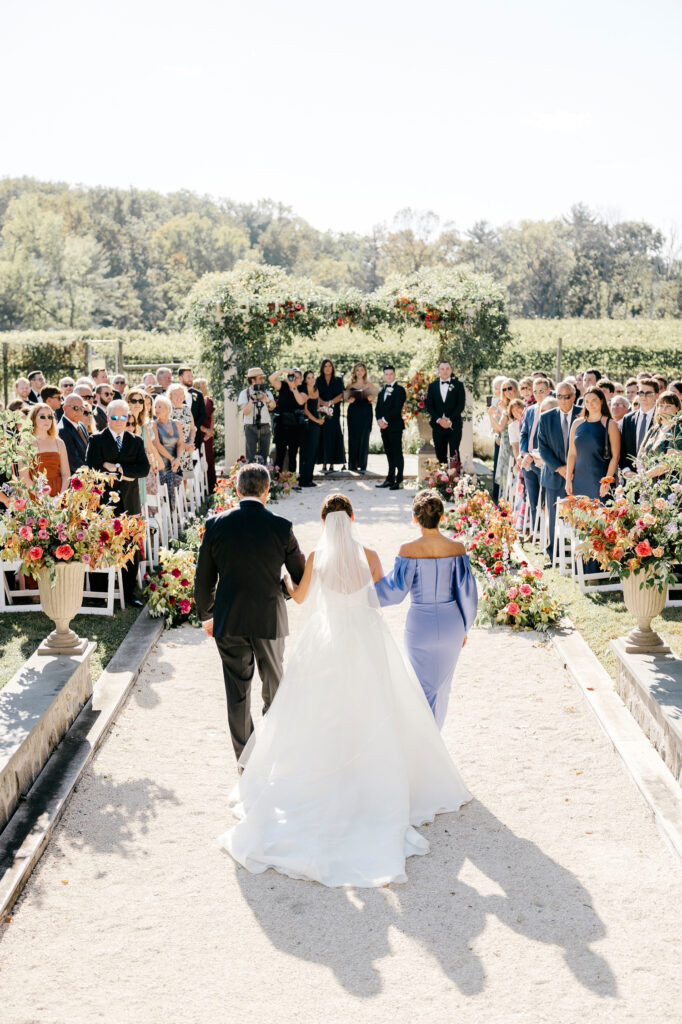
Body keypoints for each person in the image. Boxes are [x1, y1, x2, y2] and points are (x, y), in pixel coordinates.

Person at [217, 491, 471, 888]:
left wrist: (286, 581)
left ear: (324, 522)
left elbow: (301, 598)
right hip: (366, 639)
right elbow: (380, 595)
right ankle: (372, 780)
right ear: (351, 518)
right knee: (375, 706)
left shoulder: (318, 558)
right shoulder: (369, 555)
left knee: (322, 710)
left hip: (327, 640)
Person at [194, 463, 306, 760]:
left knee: (237, 693)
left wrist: (207, 615)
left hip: (229, 619)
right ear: (267, 491)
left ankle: (245, 760)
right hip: (270, 619)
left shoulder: (216, 525)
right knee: (275, 689)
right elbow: (300, 574)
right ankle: (274, 751)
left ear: (237, 489)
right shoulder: (282, 527)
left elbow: (203, 579)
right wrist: (280, 594)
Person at [375, 489, 477, 728]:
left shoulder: (407, 550)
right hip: (452, 624)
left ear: (415, 518)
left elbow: (395, 591)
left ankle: (424, 745)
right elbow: (468, 595)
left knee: (418, 689)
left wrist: (366, 592)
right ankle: (435, 741)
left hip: (419, 627)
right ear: (442, 517)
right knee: (443, 689)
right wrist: (465, 627)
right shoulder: (457, 549)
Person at [85, 399, 150, 606]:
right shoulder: (96, 440)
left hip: (130, 502)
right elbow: (93, 468)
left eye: (124, 416)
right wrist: (114, 469)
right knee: (102, 545)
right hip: (104, 504)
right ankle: (99, 593)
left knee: (130, 548)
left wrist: (118, 469)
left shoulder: (136, 441)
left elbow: (143, 469)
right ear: (107, 417)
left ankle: (128, 593)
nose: (120, 420)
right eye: (115, 417)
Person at [537, 381, 581, 560]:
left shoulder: (583, 414)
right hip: (554, 474)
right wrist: (560, 468)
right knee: (554, 516)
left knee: (579, 515)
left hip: (578, 474)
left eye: (567, 396)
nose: (563, 400)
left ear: (574, 397)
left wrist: (572, 469)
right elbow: (543, 447)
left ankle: (580, 554)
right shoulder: (546, 417)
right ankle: (554, 553)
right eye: (559, 396)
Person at [566, 387, 620, 500]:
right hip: (579, 481)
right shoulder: (576, 423)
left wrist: (606, 482)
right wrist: (568, 480)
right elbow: (572, 454)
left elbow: (615, 457)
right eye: (587, 401)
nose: (590, 404)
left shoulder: (610, 424)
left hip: (600, 482)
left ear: (601, 400)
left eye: (594, 400)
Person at [518, 377, 551, 527]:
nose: (538, 394)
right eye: (536, 391)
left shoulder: (552, 410)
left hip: (543, 462)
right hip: (528, 462)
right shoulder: (529, 410)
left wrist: (534, 455)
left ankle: (545, 533)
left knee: (544, 500)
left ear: (549, 391)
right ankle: (535, 531)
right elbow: (524, 434)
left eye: (542, 391)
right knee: (532, 499)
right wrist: (524, 454)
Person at [424, 360, 466, 465]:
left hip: (454, 425)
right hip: (438, 426)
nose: (445, 371)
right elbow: (429, 405)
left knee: (454, 454)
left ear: (451, 370)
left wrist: (449, 419)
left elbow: (460, 405)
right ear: (438, 371)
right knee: (440, 454)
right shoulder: (432, 386)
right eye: (442, 369)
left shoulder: (458, 385)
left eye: (447, 368)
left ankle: (455, 479)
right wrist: (439, 420)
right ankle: (442, 480)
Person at [126, 387, 162, 508]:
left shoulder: (142, 425)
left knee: (144, 502)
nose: (137, 404)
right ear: (127, 402)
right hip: (129, 467)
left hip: (142, 466)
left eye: (140, 401)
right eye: (133, 400)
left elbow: (150, 447)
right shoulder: (123, 422)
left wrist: (158, 464)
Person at [269, 366, 306, 475]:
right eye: (293, 376)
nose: (295, 379)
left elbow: (300, 402)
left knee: (293, 453)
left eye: (297, 377)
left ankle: (291, 479)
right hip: (281, 425)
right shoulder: (283, 386)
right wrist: (283, 370)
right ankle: (278, 479)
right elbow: (271, 379)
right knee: (280, 453)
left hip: (295, 426)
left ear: (300, 379)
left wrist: (293, 387)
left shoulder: (302, 389)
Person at [26, 403, 70, 495]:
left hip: (59, 493)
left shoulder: (59, 442)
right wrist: (43, 499)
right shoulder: (25, 444)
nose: (47, 420)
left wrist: (61, 496)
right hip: (36, 494)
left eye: (50, 417)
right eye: (42, 417)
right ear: (33, 419)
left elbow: (66, 474)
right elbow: (25, 478)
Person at [375, 365, 406, 490]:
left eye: (391, 374)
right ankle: (389, 479)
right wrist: (378, 420)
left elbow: (397, 408)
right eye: (386, 374)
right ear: (384, 375)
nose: (389, 376)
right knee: (389, 453)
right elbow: (377, 407)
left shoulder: (400, 390)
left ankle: (399, 480)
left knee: (397, 453)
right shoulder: (382, 390)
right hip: (384, 428)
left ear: (394, 375)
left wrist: (385, 420)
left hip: (395, 427)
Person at [619, 378, 659, 473]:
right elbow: (622, 449)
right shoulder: (628, 419)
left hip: (654, 476)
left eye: (648, 393)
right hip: (630, 477)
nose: (643, 396)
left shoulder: (660, 418)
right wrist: (626, 471)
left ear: (656, 395)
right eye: (641, 393)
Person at [639, 391, 682, 480]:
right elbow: (640, 455)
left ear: (677, 408)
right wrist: (641, 472)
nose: (663, 409)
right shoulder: (654, 429)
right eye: (661, 406)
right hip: (647, 484)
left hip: (667, 485)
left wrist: (645, 476)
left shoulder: (678, 430)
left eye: (668, 406)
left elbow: (669, 463)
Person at [153, 395, 185, 512]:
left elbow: (180, 443)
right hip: (161, 466)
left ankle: (174, 513)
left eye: (159, 406)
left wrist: (178, 459)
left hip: (175, 464)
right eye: (155, 406)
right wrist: (172, 458)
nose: (156, 409)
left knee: (175, 478)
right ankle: (172, 514)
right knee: (169, 480)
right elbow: (157, 444)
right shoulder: (154, 425)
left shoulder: (177, 423)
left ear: (167, 408)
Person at [488, 378, 520, 494]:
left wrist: (503, 410)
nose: (507, 391)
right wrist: (491, 415)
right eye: (504, 389)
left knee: (516, 473)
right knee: (505, 473)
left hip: (519, 443)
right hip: (506, 443)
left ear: (515, 388)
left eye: (509, 388)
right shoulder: (505, 406)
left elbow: (517, 419)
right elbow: (499, 427)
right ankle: (505, 500)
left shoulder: (520, 404)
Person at [239, 368, 276, 464]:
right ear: (253, 380)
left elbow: (273, 406)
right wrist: (251, 399)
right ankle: (251, 478)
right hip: (250, 427)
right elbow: (245, 412)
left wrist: (267, 400)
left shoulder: (267, 392)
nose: (263, 380)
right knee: (251, 458)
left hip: (265, 426)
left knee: (264, 457)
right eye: (260, 378)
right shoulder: (244, 393)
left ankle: (264, 478)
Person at [315, 359, 345, 473]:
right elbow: (314, 393)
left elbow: (342, 394)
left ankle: (332, 464)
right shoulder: (318, 380)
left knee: (333, 435)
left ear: (333, 368)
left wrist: (331, 402)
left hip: (334, 411)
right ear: (322, 368)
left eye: (330, 366)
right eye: (325, 366)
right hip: (322, 410)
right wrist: (323, 403)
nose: (328, 368)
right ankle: (323, 464)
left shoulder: (338, 380)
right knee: (322, 435)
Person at [345, 362, 375, 473]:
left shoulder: (370, 385)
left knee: (364, 437)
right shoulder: (350, 385)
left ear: (365, 371)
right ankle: (352, 464)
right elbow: (346, 399)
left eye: (361, 370)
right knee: (353, 437)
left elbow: (374, 398)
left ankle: (363, 464)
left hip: (366, 412)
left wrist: (371, 398)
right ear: (354, 372)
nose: (359, 372)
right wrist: (349, 400)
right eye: (357, 370)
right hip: (353, 413)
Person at [298, 370, 324, 487]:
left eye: (313, 377)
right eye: (309, 378)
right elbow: (306, 410)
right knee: (305, 451)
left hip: (316, 424)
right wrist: (316, 420)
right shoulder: (303, 391)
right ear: (305, 380)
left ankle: (310, 478)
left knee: (313, 451)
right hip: (307, 423)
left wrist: (321, 417)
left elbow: (317, 406)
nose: (312, 379)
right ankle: (303, 479)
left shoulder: (316, 390)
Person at [168, 382, 196, 480]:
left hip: (187, 449)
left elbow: (192, 428)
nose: (179, 397)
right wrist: (185, 445)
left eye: (181, 394)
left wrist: (191, 442)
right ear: (170, 396)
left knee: (184, 479)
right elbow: (169, 434)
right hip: (174, 450)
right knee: (175, 479)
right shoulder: (168, 411)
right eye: (176, 394)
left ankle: (184, 496)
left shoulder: (187, 409)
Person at [58, 394, 90, 475]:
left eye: (82, 408)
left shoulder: (81, 425)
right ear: (64, 408)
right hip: (77, 479)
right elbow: (73, 462)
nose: (79, 412)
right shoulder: (62, 430)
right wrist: (92, 475)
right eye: (75, 408)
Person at [195, 377, 217, 492]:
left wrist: (211, 430)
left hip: (209, 434)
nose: (207, 389)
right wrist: (204, 430)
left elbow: (212, 417)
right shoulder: (195, 402)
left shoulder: (209, 400)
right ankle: (201, 488)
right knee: (201, 459)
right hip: (199, 433)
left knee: (210, 459)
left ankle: (212, 486)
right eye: (205, 387)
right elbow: (194, 419)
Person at [178, 367, 206, 448]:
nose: (190, 378)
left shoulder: (198, 394)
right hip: (179, 435)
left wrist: (194, 428)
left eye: (191, 376)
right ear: (180, 377)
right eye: (188, 376)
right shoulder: (174, 394)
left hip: (195, 436)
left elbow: (202, 414)